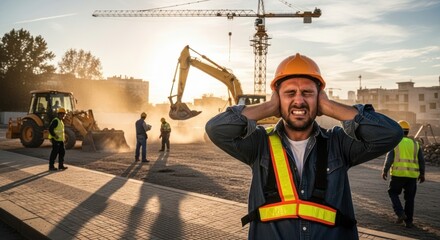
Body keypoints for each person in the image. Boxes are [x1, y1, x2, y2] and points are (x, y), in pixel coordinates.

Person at [205, 53, 403, 239]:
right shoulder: (259, 145)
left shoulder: (339, 144)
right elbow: (216, 129)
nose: (299, 100)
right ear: (277, 99)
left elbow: (390, 133)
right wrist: (268, 108)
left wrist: (330, 107)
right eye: (290, 93)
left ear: (320, 98)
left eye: (307, 93)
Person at [382, 120, 425, 228]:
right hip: (412, 176)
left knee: (392, 192)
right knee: (409, 199)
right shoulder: (416, 144)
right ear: (408, 131)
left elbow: (389, 159)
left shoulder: (395, 143)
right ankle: (409, 222)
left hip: (398, 174)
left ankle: (400, 213)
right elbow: (421, 160)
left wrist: (385, 170)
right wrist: (422, 174)